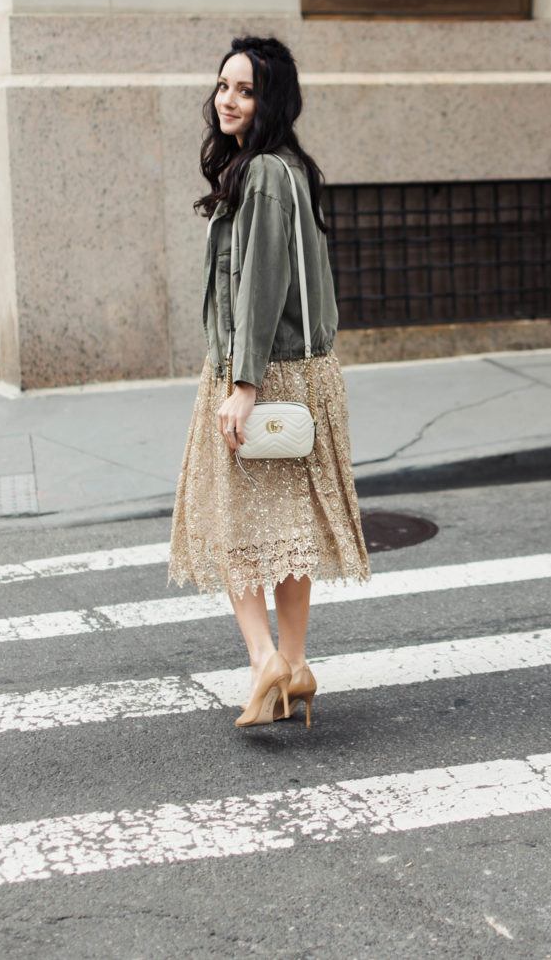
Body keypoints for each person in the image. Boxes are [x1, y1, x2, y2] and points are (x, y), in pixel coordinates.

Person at [168, 36, 371, 729]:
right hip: (305, 373)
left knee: (230, 524)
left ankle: (264, 662)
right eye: (224, 85)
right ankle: (297, 661)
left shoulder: (260, 175)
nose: (228, 99)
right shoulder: (288, 169)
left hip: (259, 371)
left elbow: (259, 283)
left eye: (246, 89)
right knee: (285, 534)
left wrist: (243, 382)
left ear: (272, 98)